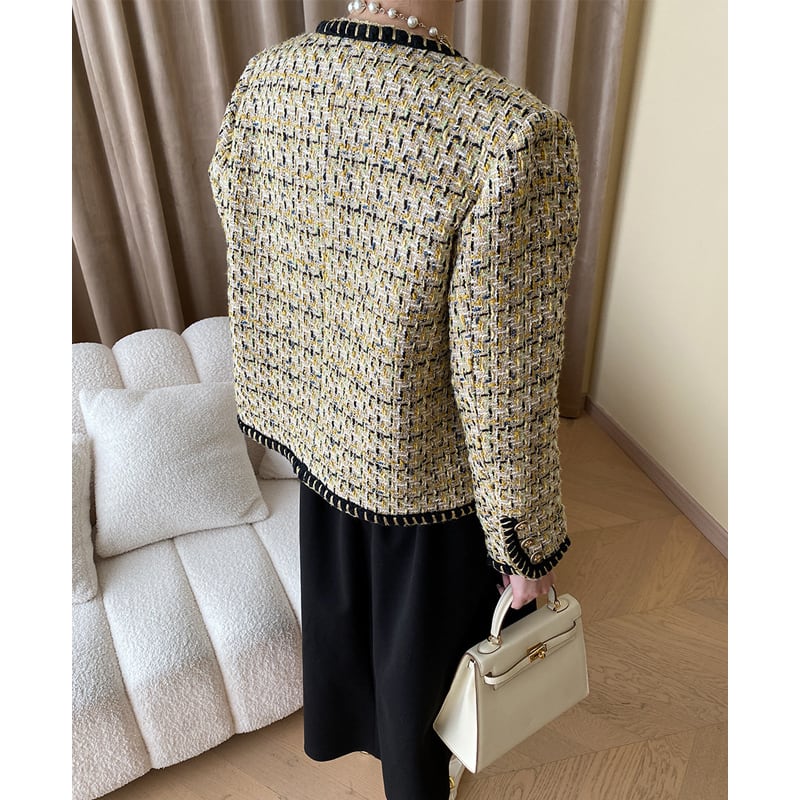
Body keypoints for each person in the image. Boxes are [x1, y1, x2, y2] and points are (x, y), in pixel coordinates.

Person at [208, 1, 581, 798]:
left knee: (358, 641)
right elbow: (504, 377)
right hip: (427, 475)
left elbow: (247, 228)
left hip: (319, 436)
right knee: (423, 688)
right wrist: (525, 546)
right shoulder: (509, 134)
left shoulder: (270, 78)